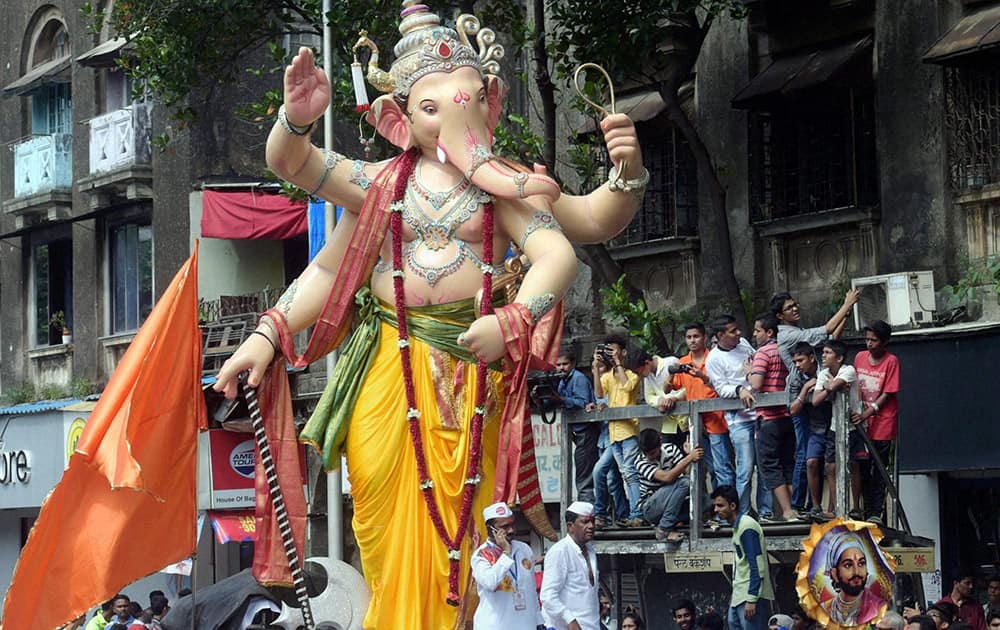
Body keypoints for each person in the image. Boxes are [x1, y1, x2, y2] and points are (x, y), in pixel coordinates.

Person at [213, 2, 644, 626]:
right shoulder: (379, 185)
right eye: (432, 107)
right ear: (397, 119)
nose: (453, 117)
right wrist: (267, 333)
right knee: (384, 519)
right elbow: (305, 197)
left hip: (472, 369)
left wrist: (625, 173)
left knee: (469, 527)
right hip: (390, 371)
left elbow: (569, 245)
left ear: (489, 103)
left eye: (466, 100)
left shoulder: (505, 187)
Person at [772, 289, 859, 511]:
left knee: (829, 462)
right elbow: (826, 331)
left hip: (822, 407)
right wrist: (847, 303)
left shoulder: (822, 366)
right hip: (804, 403)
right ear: (780, 316)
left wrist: (846, 313)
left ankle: (822, 507)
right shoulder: (787, 336)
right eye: (789, 308)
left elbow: (830, 340)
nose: (795, 309)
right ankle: (800, 505)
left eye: (794, 304)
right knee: (806, 456)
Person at [705, 316, 772, 521]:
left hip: (760, 412)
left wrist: (752, 376)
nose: (738, 334)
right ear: (720, 335)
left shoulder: (743, 345)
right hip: (739, 418)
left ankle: (765, 511)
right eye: (732, 331)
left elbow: (756, 364)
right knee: (744, 468)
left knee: (764, 465)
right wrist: (739, 389)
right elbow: (720, 388)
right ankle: (741, 513)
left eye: (737, 330)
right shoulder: (714, 358)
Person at [668, 322, 730, 493]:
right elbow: (669, 388)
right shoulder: (683, 361)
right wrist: (671, 373)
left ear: (704, 338)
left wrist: (703, 376)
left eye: (696, 336)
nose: (692, 340)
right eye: (689, 337)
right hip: (695, 423)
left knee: (722, 468)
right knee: (708, 467)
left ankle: (728, 510)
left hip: (717, 420)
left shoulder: (714, 358)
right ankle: (716, 509)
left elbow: (722, 387)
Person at [749, 312, 798, 522]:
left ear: (769, 332)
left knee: (769, 464)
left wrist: (748, 372)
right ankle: (795, 508)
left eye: (758, 330)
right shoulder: (787, 351)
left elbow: (756, 384)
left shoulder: (763, 353)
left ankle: (786, 511)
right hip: (788, 415)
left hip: (769, 417)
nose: (754, 334)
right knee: (788, 462)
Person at [591, 336, 644, 528]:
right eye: (608, 351)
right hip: (613, 433)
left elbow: (628, 387)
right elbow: (598, 394)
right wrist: (596, 368)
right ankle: (632, 514)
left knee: (630, 473)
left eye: (613, 350)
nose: (610, 355)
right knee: (622, 474)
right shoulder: (607, 376)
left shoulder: (631, 374)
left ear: (623, 352)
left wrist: (619, 364)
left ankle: (637, 513)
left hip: (628, 430)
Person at [851, 320, 900, 525]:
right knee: (861, 467)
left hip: (882, 422)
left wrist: (869, 412)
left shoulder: (891, 361)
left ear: (884, 342)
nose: (869, 344)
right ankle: (860, 509)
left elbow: (888, 393)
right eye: (867, 339)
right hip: (861, 422)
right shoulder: (859, 357)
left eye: (874, 340)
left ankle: (875, 512)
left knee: (879, 468)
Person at [472, 502, 545, 629]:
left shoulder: (524, 549)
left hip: (526, 624)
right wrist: (506, 554)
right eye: (505, 527)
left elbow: (531, 589)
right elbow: (490, 582)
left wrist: (539, 621)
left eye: (512, 524)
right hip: (495, 625)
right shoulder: (481, 555)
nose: (511, 530)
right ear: (490, 529)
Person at [811, 340, 864, 517]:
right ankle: (838, 508)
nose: (823, 356)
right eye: (823, 352)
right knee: (831, 467)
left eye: (828, 352)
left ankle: (856, 507)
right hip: (835, 426)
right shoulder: (824, 373)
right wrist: (829, 386)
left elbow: (834, 385)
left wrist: (830, 385)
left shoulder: (848, 370)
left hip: (853, 426)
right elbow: (815, 401)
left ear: (839, 357)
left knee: (853, 465)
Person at [712, 485, 774, 630]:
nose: (716, 510)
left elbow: (757, 565)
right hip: (739, 595)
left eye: (720, 505)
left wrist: (752, 598)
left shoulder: (746, 526)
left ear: (732, 506)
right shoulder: (738, 527)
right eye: (715, 506)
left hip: (750, 595)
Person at [787, 342, 834, 521]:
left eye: (800, 360)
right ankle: (815, 506)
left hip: (833, 424)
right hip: (814, 426)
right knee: (811, 461)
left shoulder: (828, 371)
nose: (797, 365)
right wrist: (806, 389)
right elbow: (792, 409)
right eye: (795, 361)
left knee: (832, 466)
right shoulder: (795, 377)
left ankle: (832, 509)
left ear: (812, 358)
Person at [544, 351, 599, 502]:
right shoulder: (562, 381)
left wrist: (560, 399)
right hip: (577, 433)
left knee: (584, 476)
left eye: (565, 364)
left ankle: (586, 512)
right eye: (558, 365)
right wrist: (539, 399)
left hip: (587, 431)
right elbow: (550, 405)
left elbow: (583, 403)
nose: (561, 368)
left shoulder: (578, 379)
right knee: (583, 473)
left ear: (573, 364)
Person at [540, 502, 600, 630]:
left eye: (592, 521)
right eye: (585, 522)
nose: (591, 526)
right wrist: (570, 620)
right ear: (570, 526)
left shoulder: (591, 551)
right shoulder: (560, 551)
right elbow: (548, 596)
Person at [634, 428, 702, 541]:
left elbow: (687, 472)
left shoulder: (671, 449)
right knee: (685, 482)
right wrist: (689, 458)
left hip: (671, 503)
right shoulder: (640, 461)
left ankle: (672, 522)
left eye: (652, 453)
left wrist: (688, 454)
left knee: (704, 501)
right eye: (646, 454)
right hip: (650, 508)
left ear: (660, 443)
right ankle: (664, 529)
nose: (649, 457)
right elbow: (667, 478)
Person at [819, 530, 888, 626]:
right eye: (848, 565)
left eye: (861, 563)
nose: (856, 572)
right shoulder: (824, 609)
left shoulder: (878, 607)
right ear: (834, 574)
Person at [634, 349, 684, 438]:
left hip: (685, 419)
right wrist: (660, 401)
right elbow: (648, 397)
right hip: (668, 425)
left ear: (646, 363)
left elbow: (688, 387)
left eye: (638, 371)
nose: (639, 375)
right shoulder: (647, 375)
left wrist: (674, 398)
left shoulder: (671, 362)